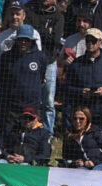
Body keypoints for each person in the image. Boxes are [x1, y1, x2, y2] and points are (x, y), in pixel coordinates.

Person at [0, 24, 48, 140]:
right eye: (20, 39)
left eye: (26, 40)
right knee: (10, 134)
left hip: (32, 104)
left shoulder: (40, 57)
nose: (23, 42)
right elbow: (2, 79)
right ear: (16, 40)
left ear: (31, 41)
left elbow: (41, 77)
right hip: (12, 104)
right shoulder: (6, 57)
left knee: (32, 135)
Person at [0, 2, 42, 108]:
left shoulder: (34, 34)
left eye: (18, 14)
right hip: (3, 86)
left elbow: (39, 62)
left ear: (24, 15)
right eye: (12, 14)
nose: (15, 17)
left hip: (25, 88)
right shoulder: (2, 36)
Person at [24, 0, 65, 134]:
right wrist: (47, 31)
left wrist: (39, 32)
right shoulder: (30, 10)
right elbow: (29, 36)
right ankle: (29, 130)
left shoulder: (58, 16)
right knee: (31, 98)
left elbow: (55, 40)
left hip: (49, 63)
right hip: (31, 61)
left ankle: (47, 134)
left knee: (48, 101)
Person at [64, 28, 102, 125]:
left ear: (101, 43)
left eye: (93, 41)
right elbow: (67, 87)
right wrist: (80, 91)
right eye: (88, 40)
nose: (90, 43)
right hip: (83, 112)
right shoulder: (77, 63)